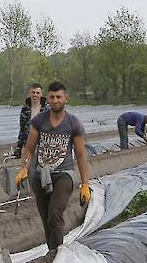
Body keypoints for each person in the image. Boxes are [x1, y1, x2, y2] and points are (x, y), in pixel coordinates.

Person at [14, 81, 92, 252]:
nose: (55, 100)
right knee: (46, 220)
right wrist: (23, 169)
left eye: (59, 97)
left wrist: (85, 184)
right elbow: (29, 148)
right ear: (47, 99)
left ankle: (57, 254)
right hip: (40, 174)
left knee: (55, 215)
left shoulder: (73, 123)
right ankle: (52, 252)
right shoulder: (39, 120)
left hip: (64, 174)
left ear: (66, 99)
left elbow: (80, 154)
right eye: (52, 97)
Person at [14, 83, 49, 158]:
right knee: (27, 168)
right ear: (30, 94)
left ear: (41, 94)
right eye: (33, 92)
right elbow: (22, 129)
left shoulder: (48, 110)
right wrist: (19, 147)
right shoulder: (25, 110)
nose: (35, 95)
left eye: (37, 93)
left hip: (44, 148)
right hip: (28, 146)